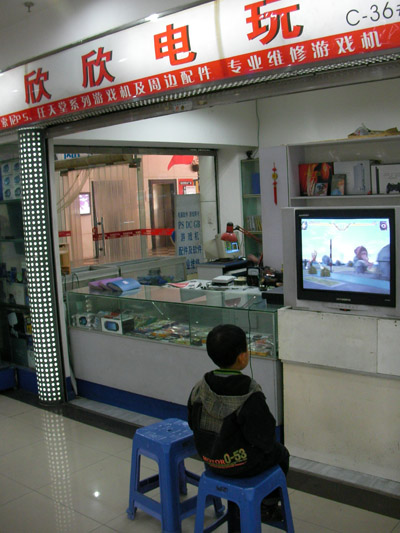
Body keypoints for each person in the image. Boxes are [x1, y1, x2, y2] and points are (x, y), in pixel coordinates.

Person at [187, 324, 289, 531]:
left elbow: (192, 422)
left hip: (209, 458)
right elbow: (265, 438)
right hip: (243, 464)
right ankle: (268, 506)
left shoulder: (200, 387)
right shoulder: (250, 393)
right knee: (281, 454)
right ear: (242, 357)